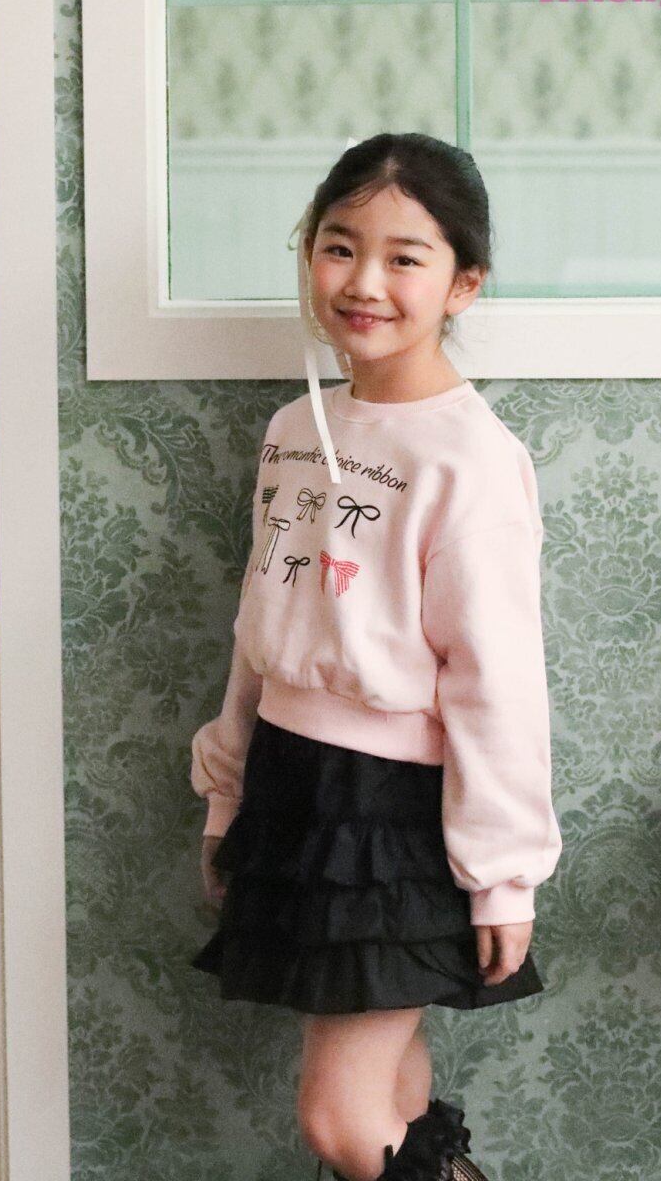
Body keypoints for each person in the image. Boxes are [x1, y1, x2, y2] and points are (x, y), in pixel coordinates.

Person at [188, 132, 562, 1181]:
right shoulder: (292, 429)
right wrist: (228, 793)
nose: (363, 282)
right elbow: (263, 623)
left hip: (394, 810)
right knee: (393, 1096)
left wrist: (503, 877)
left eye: (405, 257)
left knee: (339, 1118)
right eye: (339, 246)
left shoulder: (470, 456)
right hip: (291, 781)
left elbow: (496, 681)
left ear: (463, 282)